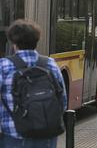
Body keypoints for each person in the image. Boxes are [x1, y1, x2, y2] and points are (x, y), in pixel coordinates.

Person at [0, 19, 67, 148]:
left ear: (14, 43)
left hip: (14, 136)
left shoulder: (4, 65)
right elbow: (62, 100)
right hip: (47, 136)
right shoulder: (50, 64)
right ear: (36, 41)